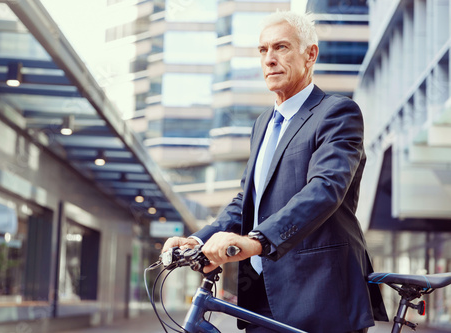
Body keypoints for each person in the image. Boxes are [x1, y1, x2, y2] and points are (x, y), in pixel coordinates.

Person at [162, 9, 388, 333]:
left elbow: (325, 189)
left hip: (320, 296)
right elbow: (246, 201)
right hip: (262, 295)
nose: (269, 59)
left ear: (310, 55)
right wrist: (198, 239)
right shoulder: (262, 125)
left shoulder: (337, 113)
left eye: (281, 47)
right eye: (263, 50)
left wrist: (256, 240)